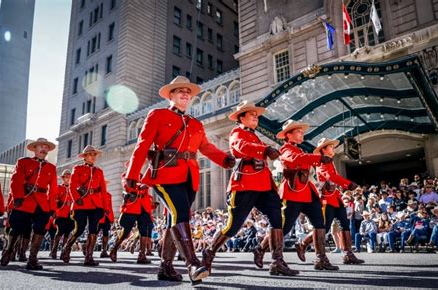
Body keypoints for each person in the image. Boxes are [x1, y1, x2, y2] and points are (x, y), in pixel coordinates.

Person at [124, 76, 235, 285]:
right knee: (180, 213)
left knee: (172, 220)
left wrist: (224, 158)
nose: (185, 94)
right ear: (171, 95)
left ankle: (166, 266)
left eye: (188, 92)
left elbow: (206, 148)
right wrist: (132, 175)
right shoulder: (157, 115)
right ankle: (192, 264)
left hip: (189, 177)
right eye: (180, 91)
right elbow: (142, 145)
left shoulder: (195, 123)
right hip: (165, 174)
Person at [202, 101, 299, 276]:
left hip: (264, 186)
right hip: (244, 185)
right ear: (241, 118)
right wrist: (265, 149)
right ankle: (209, 253)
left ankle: (277, 261)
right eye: (251, 114)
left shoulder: (256, 136)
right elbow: (241, 148)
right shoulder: (236, 133)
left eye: (257, 115)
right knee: (233, 226)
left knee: (277, 219)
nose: (256, 116)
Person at [251, 120, 337, 270]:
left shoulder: (299, 149)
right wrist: (317, 158)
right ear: (288, 135)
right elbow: (296, 160)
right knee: (283, 227)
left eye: (302, 132)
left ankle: (320, 258)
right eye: (298, 131)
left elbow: (303, 160)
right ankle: (261, 249)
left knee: (319, 223)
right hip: (293, 191)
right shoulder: (285, 149)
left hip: (307, 191)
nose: (302, 133)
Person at [1, 138, 58, 270]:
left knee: (40, 229)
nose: (44, 149)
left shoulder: (51, 167)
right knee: (17, 227)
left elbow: (53, 189)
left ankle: (32, 259)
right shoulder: (23, 162)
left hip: (42, 203)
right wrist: (18, 197)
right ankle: (9, 250)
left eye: (46, 147)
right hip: (25, 200)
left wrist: (52, 207)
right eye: (41, 146)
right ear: (35, 148)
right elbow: (16, 179)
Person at [315, 138, 364, 264]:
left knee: (345, 225)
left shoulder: (330, 162)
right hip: (328, 200)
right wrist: (348, 184)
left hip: (336, 198)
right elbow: (330, 177)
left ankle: (348, 254)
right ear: (323, 149)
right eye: (330, 146)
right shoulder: (321, 162)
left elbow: (333, 179)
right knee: (324, 228)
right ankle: (304, 244)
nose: (333, 148)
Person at [61, 145, 109, 266]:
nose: (93, 157)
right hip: (82, 203)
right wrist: (77, 199)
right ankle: (67, 248)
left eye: (94, 155)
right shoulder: (78, 169)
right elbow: (72, 186)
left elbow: (103, 190)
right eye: (90, 155)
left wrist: (106, 207)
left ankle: (89, 256)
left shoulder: (99, 171)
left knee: (94, 230)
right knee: (79, 229)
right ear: (85, 157)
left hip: (96, 204)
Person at [49, 170, 75, 259]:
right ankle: (54, 250)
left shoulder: (74, 188)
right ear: (63, 178)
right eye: (66, 177)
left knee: (68, 233)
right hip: (61, 213)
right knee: (59, 232)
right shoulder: (59, 187)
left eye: (69, 177)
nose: (68, 179)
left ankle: (63, 252)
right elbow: (55, 200)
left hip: (71, 214)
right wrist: (61, 203)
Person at [98, 181, 114, 258]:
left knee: (106, 234)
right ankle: (88, 250)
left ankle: (104, 250)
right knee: (93, 233)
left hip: (107, 217)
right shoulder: (96, 194)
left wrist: (112, 218)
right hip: (98, 217)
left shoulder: (108, 195)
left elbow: (110, 207)